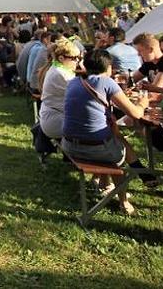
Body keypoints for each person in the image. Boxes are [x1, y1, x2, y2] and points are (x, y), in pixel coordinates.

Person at [61, 50, 151, 215]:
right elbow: (136, 114)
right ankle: (124, 202)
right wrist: (143, 103)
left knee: (112, 135)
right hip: (95, 150)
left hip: (69, 147)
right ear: (109, 67)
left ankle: (107, 183)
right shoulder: (107, 82)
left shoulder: (74, 82)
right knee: (114, 147)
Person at [38, 38, 82, 140]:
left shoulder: (58, 69)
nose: (77, 61)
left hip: (54, 116)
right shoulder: (60, 74)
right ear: (61, 58)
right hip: (56, 121)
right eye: (74, 58)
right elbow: (81, 94)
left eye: (79, 58)